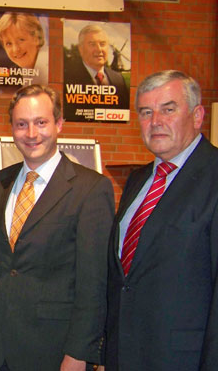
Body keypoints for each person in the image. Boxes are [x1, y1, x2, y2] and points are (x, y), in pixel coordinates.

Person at [0, 85, 115, 371]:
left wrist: (80, 352)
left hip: (57, 349)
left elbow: (94, 281)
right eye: (22, 124)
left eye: (41, 122)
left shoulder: (91, 188)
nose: (32, 133)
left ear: (59, 124)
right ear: (12, 129)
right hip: (1, 345)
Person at [106, 70, 218, 371]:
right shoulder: (138, 181)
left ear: (197, 116)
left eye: (168, 109)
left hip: (183, 359)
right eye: (146, 112)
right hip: (124, 355)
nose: (155, 121)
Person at [64, 24, 129, 101]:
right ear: (81, 49)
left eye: (102, 44)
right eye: (92, 44)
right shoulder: (68, 78)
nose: (99, 49)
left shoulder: (119, 79)